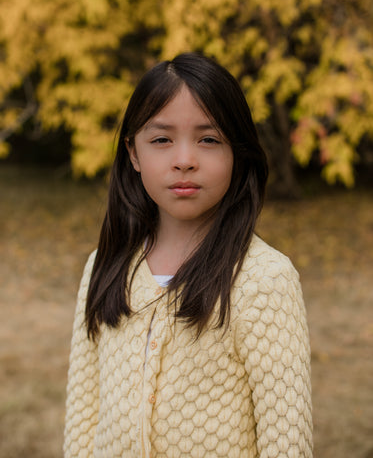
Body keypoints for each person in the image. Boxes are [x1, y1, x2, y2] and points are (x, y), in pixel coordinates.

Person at [64, 52, 313, 457]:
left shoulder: (264, 280)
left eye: (209, 140)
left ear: (237, 152)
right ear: (133, 153)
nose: (184, 161)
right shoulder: (104, 267)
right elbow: (82, 417)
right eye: (161, 139)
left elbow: (287, 442)